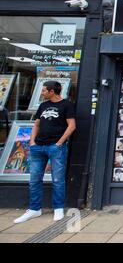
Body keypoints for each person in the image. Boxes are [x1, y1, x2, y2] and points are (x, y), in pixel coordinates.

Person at [14, 81, 76, 224]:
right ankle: (34, 209)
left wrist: (59, 143)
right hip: (38, 147)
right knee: (34, 180)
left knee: (57, 180)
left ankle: (58, 208)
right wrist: (32, 142)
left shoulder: (66, 105)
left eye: (44, 90)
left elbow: (72, 126)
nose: (42, 93)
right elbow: (36, 124)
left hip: (55, 147)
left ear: (52, 91)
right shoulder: (43, 106)